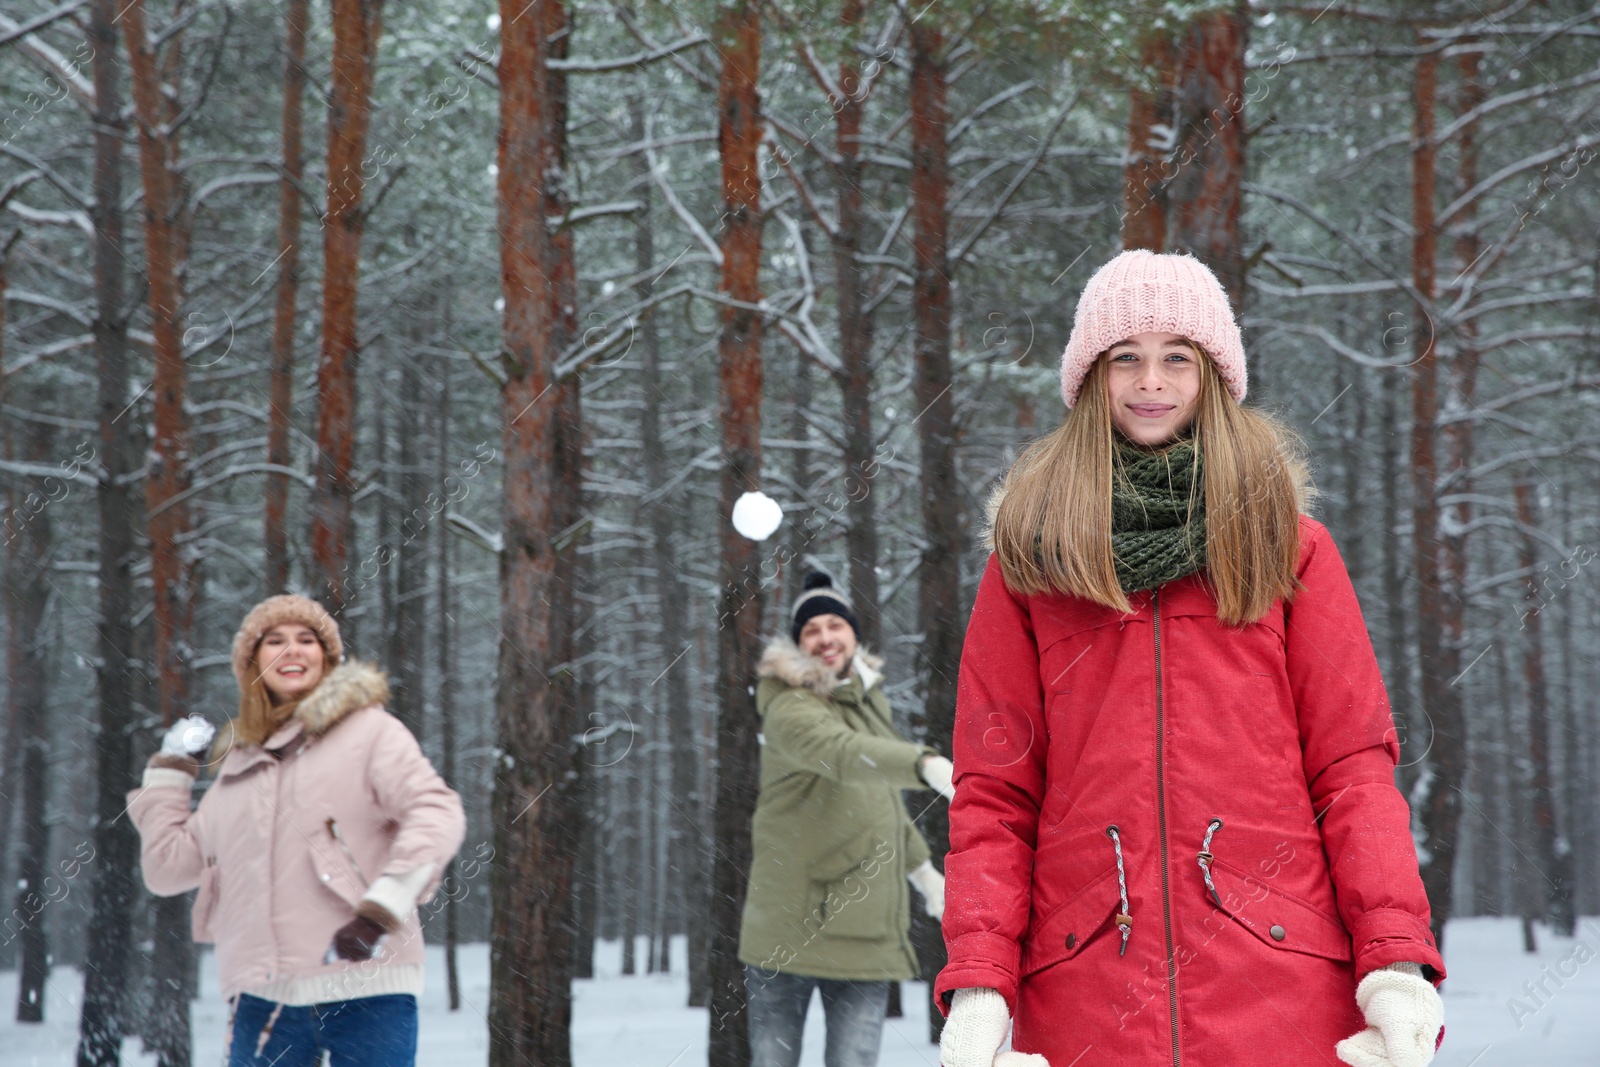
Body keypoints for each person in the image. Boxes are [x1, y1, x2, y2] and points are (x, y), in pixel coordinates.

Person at [934, 251, 1446, 1067]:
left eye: (1178, 355)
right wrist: (980, 979)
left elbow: (1352, 770)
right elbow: (995, 793)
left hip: (1278, 985)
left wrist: (1393, 958)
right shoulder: (1031, 559)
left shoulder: (1290, 546)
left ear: (1213, 374)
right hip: (1087, 994)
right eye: (1125, 356)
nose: (1152, 380)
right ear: (1089, 375)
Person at [130, 594, 466, 1067]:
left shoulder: (370, 733)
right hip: (260, 997)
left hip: (365, 988)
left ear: (326, 658)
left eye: (307, 640)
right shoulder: (238, 767)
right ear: (253, 663)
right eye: (275, 641)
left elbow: (437, 811)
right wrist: (170, 769)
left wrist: (381, 910)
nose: (293, 650)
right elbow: (167, 869)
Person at [738, 572, 957, 1067]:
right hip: (787, 933)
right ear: (798, 645)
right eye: (811, 629)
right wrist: (924, 764)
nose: (825, 637)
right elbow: (842, 752)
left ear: (854, 634)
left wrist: (924, 875)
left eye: (835, 623)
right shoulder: (789, 705)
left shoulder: (866, 700)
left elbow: (879, 802)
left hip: (865, 934)